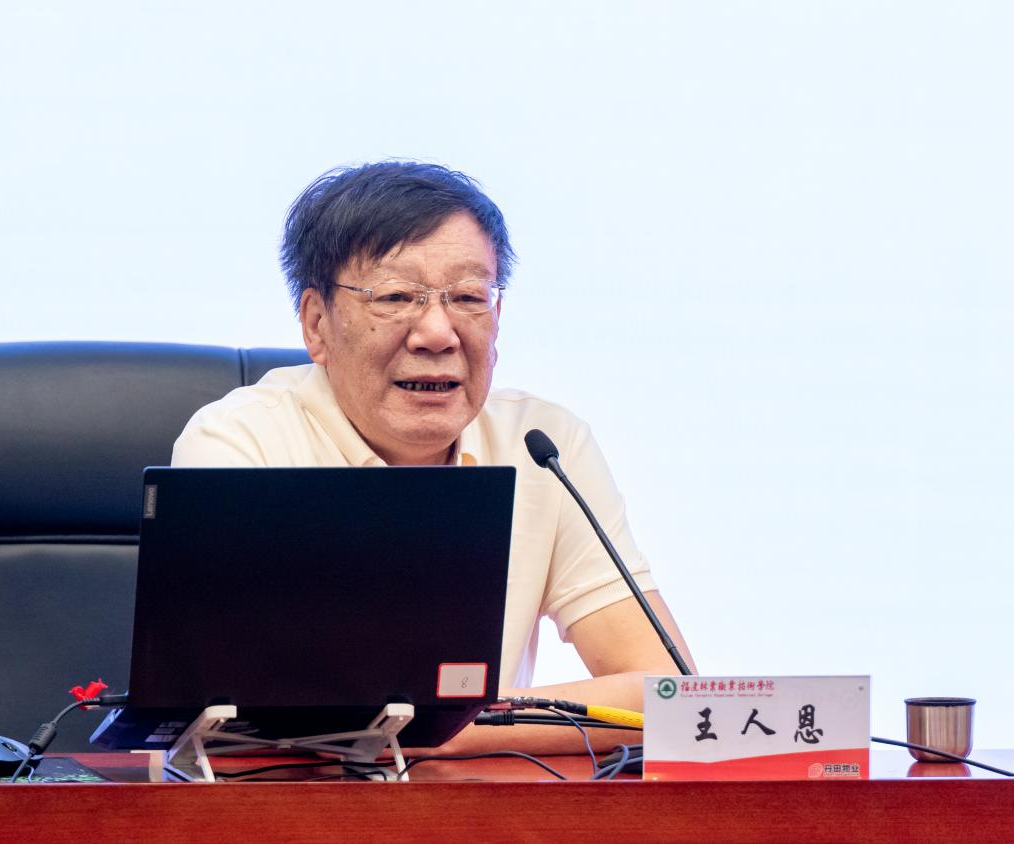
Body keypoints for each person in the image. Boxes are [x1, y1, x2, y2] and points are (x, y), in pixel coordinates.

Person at [173, 160, 694, 755]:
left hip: (463, 801)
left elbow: (666, 695)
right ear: (316, 324)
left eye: (469, 297)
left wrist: (445, 729)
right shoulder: (240, 445)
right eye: (397, 297)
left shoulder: (542, 445)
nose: (439, 334)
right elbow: (234, 712)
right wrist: (441, 723)